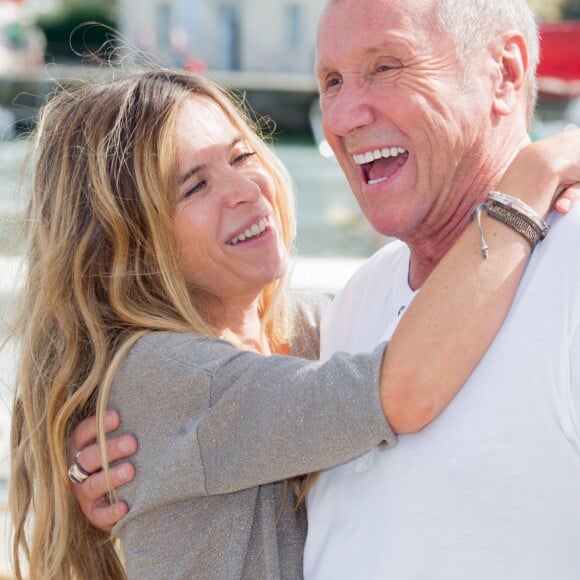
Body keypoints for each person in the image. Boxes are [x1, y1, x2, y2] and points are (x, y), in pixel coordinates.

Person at [16, 68, 577, 580]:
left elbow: (431, 316)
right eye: (194, 187)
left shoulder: (310, 327)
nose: (244, 191)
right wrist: (533, 175)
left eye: (240, 157)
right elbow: (400, 389)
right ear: (128, 242)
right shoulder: (167, 376)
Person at [300, 0, 580, 578]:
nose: (346, 115)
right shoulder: (354, 300)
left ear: (504, 71)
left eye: (386, 66)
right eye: (331, 80)